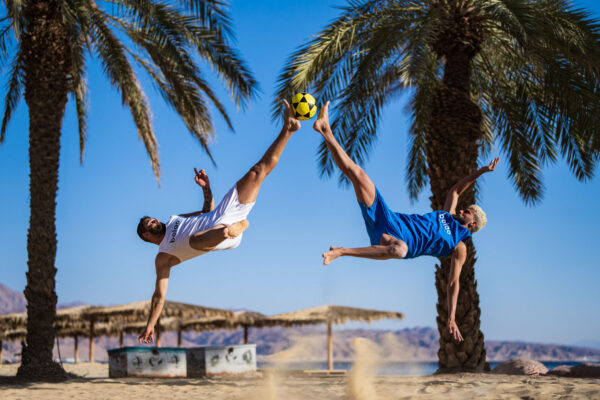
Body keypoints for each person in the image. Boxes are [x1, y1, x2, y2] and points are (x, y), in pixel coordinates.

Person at [313, 101, 499, 342]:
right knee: (357, 174)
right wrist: (481, 172)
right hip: (388, 218)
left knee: (400, 250)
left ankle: (341, 252)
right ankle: (325, 129)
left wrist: (452, 316)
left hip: (395, 242)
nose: (462, 210)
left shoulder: (459, 245)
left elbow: (454, 283)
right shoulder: (447, 214)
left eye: (467, 212)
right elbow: (455, 190)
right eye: (465, 208)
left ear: (472, 224)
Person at [137, 100, 301, 344]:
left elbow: (206, 211)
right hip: (219, 237)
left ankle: (287, 130)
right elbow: (159, 296)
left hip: (222, 217)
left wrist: (207, 187)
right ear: (147, 237)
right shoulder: (162, 257)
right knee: (194, 240)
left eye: (152, 220)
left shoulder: (174, 220)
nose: (153, 223)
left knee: (257, 172)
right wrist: (151, 324)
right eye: (149, 226)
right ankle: (232, 230)